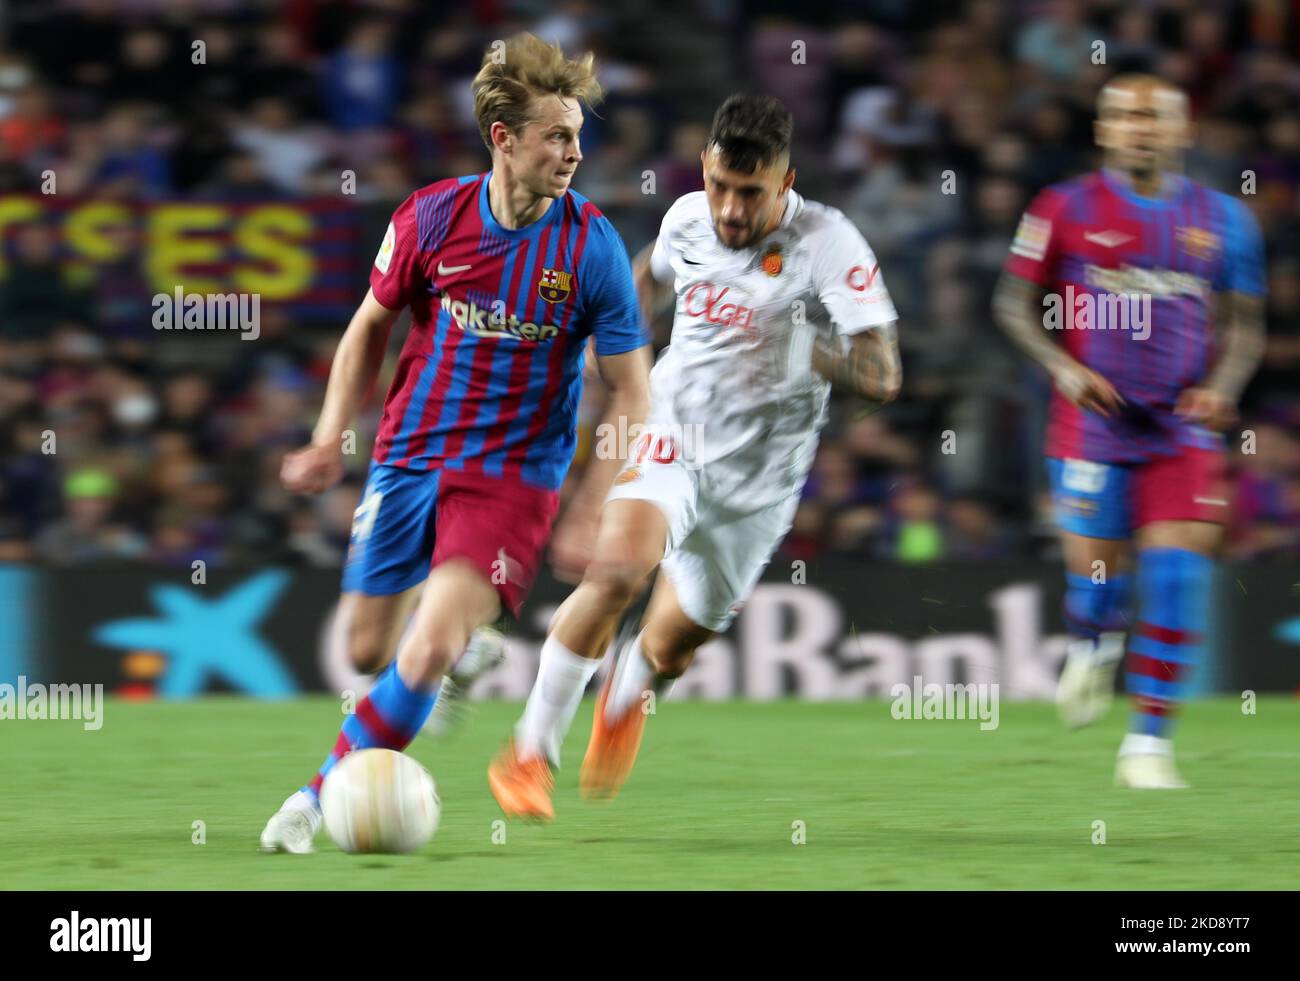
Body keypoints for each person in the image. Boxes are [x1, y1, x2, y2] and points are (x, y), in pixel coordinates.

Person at [260, 33, 651, 851]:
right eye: (557, 135)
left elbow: (634, 389)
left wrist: (595, 502)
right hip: (410, 456)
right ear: (503, 139)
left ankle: (312, 795)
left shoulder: (592, 247)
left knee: (425, 646)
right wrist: (332, 436)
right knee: (369, 648)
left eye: (579, 135)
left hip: (511, 479)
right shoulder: (431, 217)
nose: (576, 153)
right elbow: (370, 326)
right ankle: (455, 653)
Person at [487, 93, 903, 820]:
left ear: (786, 182)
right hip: (673, 437)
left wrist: (808, 349)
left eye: (752, 193)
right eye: (720, 185)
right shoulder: (685, 218)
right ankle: (529, 751)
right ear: (705, 168)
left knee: (671, 647)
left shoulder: (830, 243)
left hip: (761, 484)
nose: (732, 210)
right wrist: (597, 348)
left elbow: (883, 374)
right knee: (616, 572)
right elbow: (643, 282)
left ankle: (630, 695)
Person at [993, 75, 1266, 788]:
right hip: (1093, 423)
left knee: (1178, 572)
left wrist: (1222, 388)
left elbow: (1245, 323)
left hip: (1181, 428)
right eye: (1125, 116)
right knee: (1097, 581)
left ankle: (1148, 742)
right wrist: (1062, 367)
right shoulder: (1064, 207)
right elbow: (1014, 304)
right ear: (1104, 131)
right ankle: (1091, 642)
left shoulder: (1226, 220)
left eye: (1155, 116)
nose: (1140, 126)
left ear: (1182, 130)